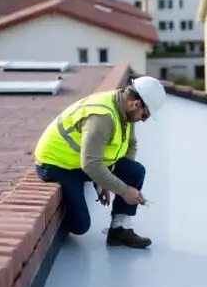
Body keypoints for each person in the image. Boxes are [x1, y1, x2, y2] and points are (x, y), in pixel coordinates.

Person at [33, 76, 167, 249]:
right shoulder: (102, 117)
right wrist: (123, 189)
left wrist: (107, 180)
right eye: (145, 114)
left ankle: (120, 230)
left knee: (135, 171)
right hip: (58, 165)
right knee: (80, 226)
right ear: (135, 104)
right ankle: (70, 200)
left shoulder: (124, 108)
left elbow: (131, 144)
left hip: (82, 162)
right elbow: (91, 165)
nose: (144, 120)